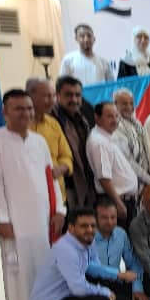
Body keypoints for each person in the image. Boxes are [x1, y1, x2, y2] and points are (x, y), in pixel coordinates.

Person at [0, 89, 65, 300]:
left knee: (44, 268)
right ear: (5, 112)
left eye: (29, 108)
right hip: (16, 221)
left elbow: (50, 178)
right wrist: (2, 219)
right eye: (19, 108)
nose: (26, 113)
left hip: (43, 219)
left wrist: (59, 209)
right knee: (19, 274)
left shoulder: (39, 141)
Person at [30, 207, 113, 300]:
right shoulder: (65, 249)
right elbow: (79, 288)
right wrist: (105, 292)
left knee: (113, 286)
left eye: (93, 226)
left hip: (68, 295)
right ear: (71, 228)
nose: (89, 230)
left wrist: (116, 276)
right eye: (84, 226)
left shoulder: (88, 241)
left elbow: (96, 268)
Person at [86, 196, 150, 300]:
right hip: (93, 283)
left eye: (113, 217)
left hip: (115, 282)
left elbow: (133, 262)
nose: (109, 222)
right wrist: (118, 274)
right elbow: (88, 267)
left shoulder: (121, 234)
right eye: (104, 218)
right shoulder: (87, 236)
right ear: (95, 218)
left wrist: (137, 288)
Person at [86, 101, 139, 228]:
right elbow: (104, 178)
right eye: (109, 116)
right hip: (115, 202)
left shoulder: (106, 136)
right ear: (97, 118)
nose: (115, 120)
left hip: (123, 200)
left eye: (116, 116)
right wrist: (118, 203)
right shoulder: (99, 142)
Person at [52, 76, 96, 210]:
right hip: (66, 187)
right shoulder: (52, 119)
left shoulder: (84, 116)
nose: (74, 99)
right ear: (57, 95)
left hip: (87, 183)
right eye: (68, 95)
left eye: (77, 95)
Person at [27, 78, 73, 201]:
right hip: (31, 196)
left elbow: (67, 156)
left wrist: (61, 168)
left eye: (53, 96)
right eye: (47, 96)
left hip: (57, 194)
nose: (52, 101)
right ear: (30, 96)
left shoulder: (53, 124)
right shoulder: (20, 128)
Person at [112, 88, 150, 190]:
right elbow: (127, 161)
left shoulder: (137, 123)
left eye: (131, 103)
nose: (129, 107)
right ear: (115, 104)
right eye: (124, 104)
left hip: (145, 180)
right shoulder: (115, 127)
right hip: (130, 183)